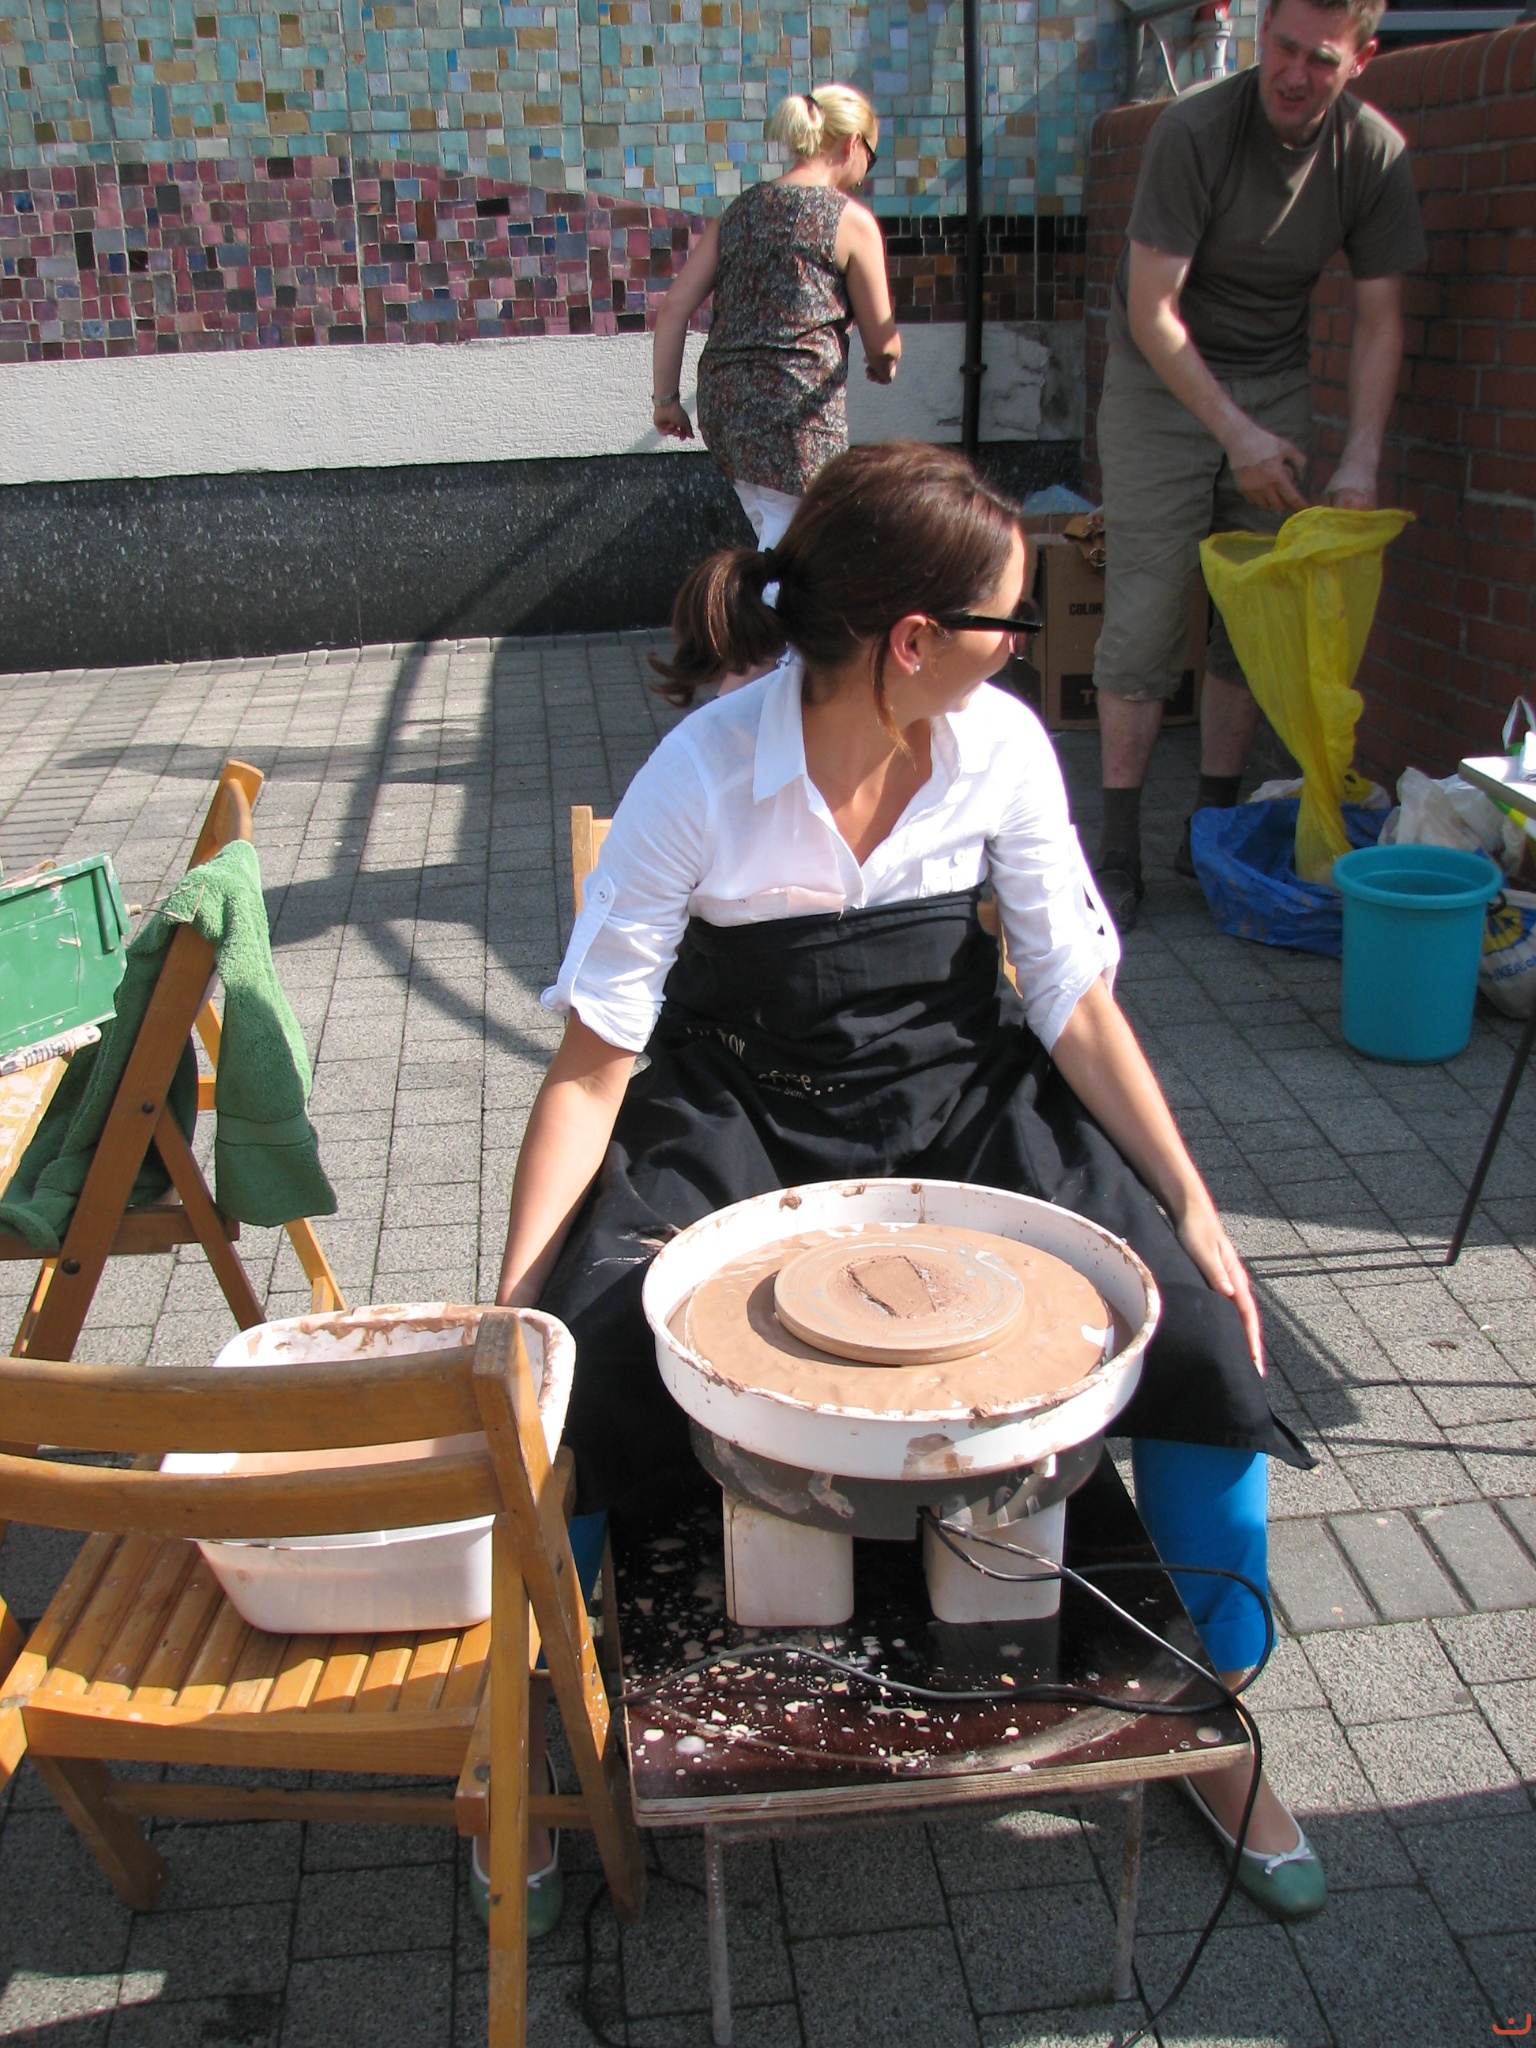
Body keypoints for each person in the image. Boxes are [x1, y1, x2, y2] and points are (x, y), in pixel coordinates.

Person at [494, 442, 1328, 1927]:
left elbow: (1071, 998)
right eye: (1013, 616)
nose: (1028, 640)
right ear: (913, 640)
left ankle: (1218, 1718)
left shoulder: (1000, 743)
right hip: (742, 1096)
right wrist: (515, 1310)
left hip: (954, 1090)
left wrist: (1195, 1204)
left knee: (1203, 1327)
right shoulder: (703, 771)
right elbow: (594, 1061)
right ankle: (537, 1740)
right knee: (584, 1362)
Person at [1091, 0, 1424, 931]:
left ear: (1362, 59)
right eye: (1282, 48)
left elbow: (1380, 321)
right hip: (1159, 379)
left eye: (1321, 59)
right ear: (1262, 31)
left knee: (1258, 610)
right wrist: (1234, 435)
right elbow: (1154, 312)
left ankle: (1211, 828)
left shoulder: (1372, 154)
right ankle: (1116, 850)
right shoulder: (1194, 130)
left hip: (1273, 377)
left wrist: (1359, 461)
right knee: (1148, 612)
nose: (1293, 75)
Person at [650, 84, 902, 556]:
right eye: (871, 157)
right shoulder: (850, 221)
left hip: (726, 409)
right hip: (796, 414)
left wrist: (666, 400)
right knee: (800, 555)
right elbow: (882, 341)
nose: (865, 174)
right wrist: (885, 362)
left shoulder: (739, 212)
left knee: (778, 535)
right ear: (852, 144)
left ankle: (760, 598)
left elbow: (673, 307)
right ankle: (754, 605)